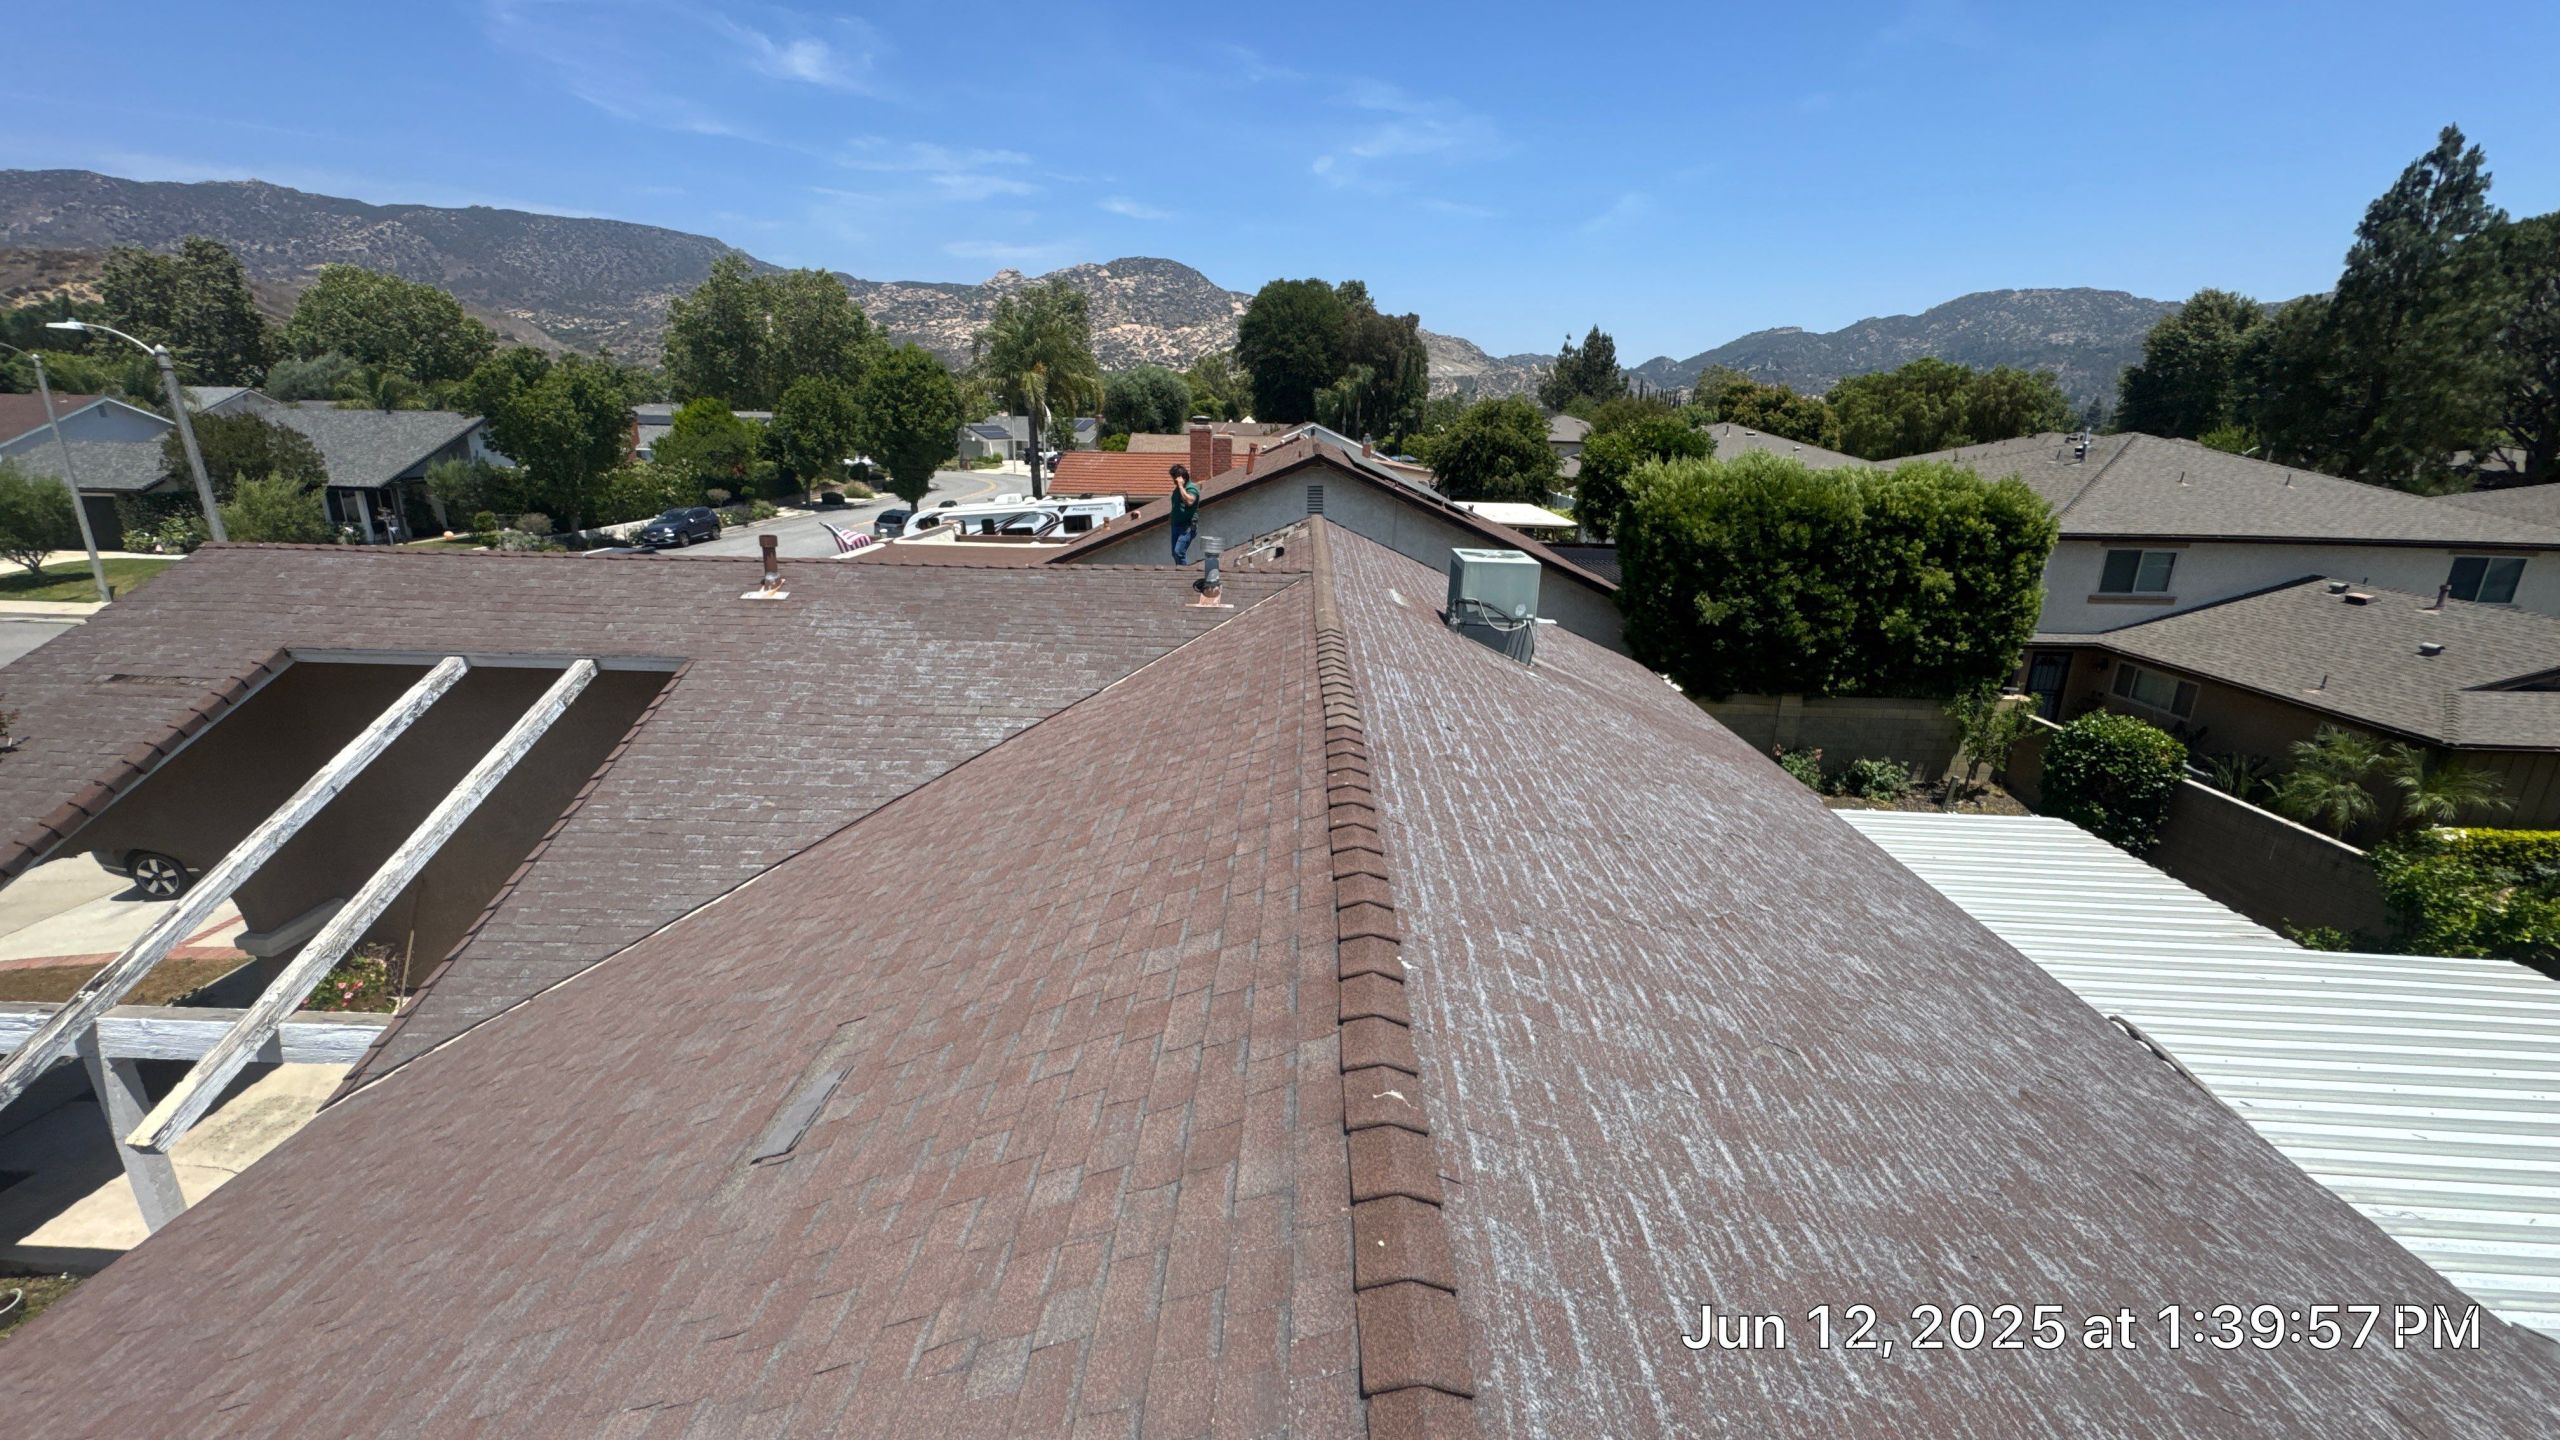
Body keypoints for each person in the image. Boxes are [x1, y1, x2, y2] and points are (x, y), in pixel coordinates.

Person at [1167, 463, 1201, 564]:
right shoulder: (1177, 490)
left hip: (1187, 527)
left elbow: (1190, 501)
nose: (1174, 482)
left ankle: (1184, 575)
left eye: (1175, 479)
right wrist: (1171, 516)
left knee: (1179, 552)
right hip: (1176, 525)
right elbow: (1176, 504)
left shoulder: (1191, 488)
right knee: (1174, 553)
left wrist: (1181, 486)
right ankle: (1179, 573)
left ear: (1182, 478)